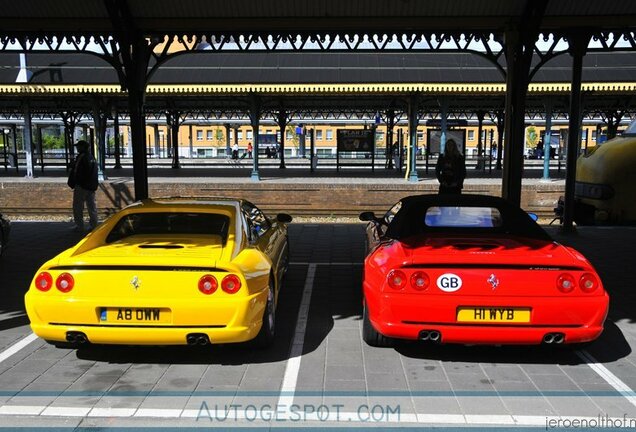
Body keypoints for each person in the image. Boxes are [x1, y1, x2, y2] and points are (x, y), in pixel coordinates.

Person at [67, 140, 99, 231]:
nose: (77, 148)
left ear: (83, 147)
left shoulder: (82, 157)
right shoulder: (92, 157)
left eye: (78, 146)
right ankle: (94, 225)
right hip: (91, 186)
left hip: (82, 186)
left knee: (78, 206)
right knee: (92, 206)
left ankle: (79, 226)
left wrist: (76, 182)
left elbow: (77, 171)